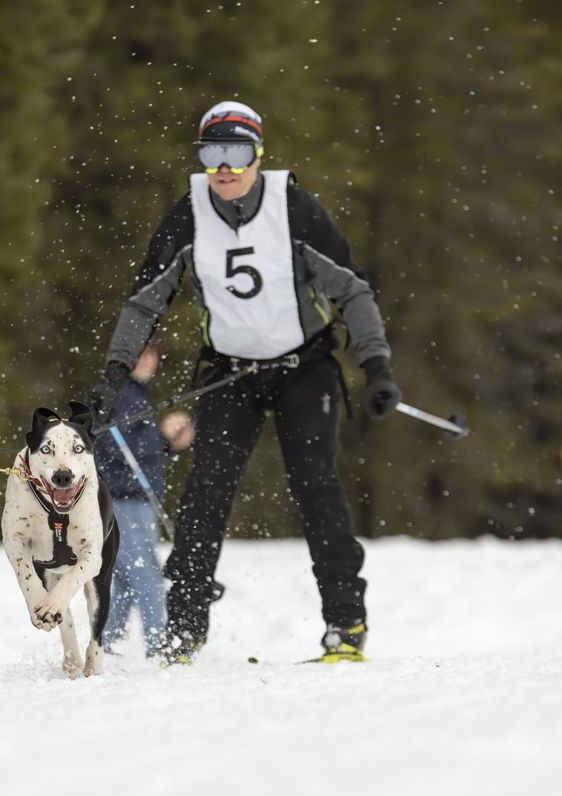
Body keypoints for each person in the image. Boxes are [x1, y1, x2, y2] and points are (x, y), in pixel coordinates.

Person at [89, 101, 402, 664]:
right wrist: (115, 374)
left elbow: (353, 292)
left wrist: (376, 367)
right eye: (213, 155)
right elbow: (145, 303)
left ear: (258, 154)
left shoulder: (297, 211)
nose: (225, 168)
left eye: (237, 153)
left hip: (305, 369)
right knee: (205, 493)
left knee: (315, 487)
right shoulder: (187, 216)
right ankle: (185, 629)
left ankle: (345, 623)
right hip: (231, 373)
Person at [93, 343, 195, 657]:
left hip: (134, 501)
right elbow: (110, 448)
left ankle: (105, 647)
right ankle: (158, 645)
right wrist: (162, 433)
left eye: (153, 355)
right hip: (123, 502)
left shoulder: (134, 396)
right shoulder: (119, 396)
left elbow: (140, 452)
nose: (149, 362)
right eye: (141, 354)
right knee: (145, 574)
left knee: (125, 577)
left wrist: (168, 443)